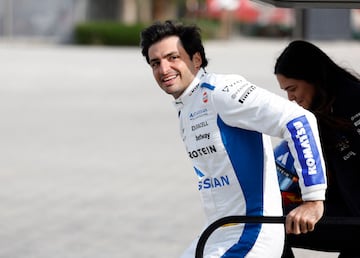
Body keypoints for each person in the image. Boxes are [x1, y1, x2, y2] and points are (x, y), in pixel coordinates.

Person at [140, 20, 327, 258]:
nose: (164, 69)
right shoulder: (186, 105)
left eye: (173, 58)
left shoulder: (222, 91)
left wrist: (313, 200)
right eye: (155, 63)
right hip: (218, 231)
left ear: (196, 59)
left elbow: (298, 120)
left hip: (251, 234)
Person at [274, 40, 360, 258]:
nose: (290, 98)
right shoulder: (326, 110)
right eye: (285, 91)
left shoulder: (353, 101)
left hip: (354, 218)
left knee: (266, 225)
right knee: (264, 219)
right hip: (348, 210)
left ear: (312, 78)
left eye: (292, 89)